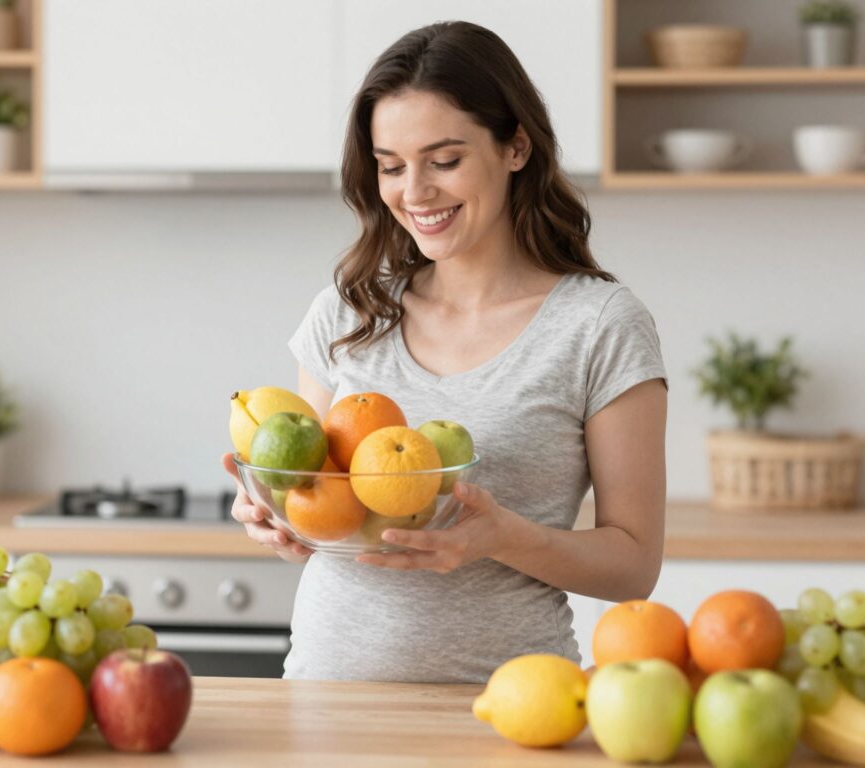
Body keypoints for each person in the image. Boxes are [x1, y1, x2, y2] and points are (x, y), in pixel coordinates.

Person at [222, 21, 667, 684]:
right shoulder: (347, 312)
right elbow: (325, 507)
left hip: (515, 714)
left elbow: (634, 564)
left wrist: (502, 536)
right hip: (323, 704)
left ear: (516, 146)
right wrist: (277, 516)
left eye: (444, 160)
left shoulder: (599, 326)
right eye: (391, 166)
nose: (414, 191)